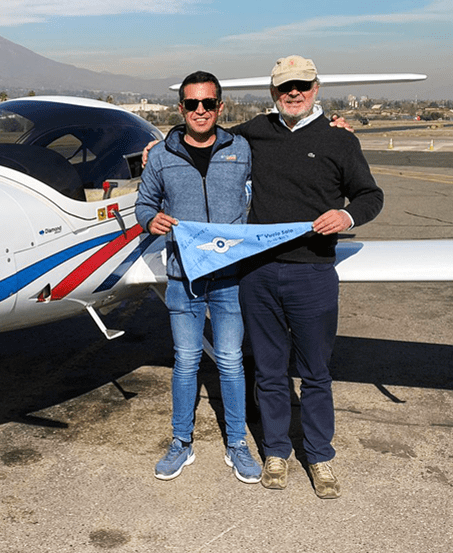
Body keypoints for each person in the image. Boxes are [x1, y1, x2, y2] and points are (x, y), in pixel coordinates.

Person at [231, 56, 384, 498]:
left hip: (313, 273)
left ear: (316, 89)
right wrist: (157, 148)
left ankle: (319, 457)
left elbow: (371, 195)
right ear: (273, 92)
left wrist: (347, 213)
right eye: (284, 88)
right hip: (257, 274)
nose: (293, 93)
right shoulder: (254, 131)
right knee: (270, 371)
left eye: (301, 86)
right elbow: (200, 140)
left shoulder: (339, 141)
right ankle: (276, 451)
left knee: (316, 372)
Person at [135, 71, 261, 484]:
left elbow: (282, 158)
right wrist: (150, 220)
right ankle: (181, 442)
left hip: (228, 278)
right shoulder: (160, 156)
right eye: (192, 104)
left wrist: (329, 127)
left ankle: (237, 444)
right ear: (181, 109)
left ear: (220, 107)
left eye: (208, 103)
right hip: (182, 278)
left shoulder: (241, 148)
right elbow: (144, 204)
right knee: (185, 362)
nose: (201, 111)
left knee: (230, 362)